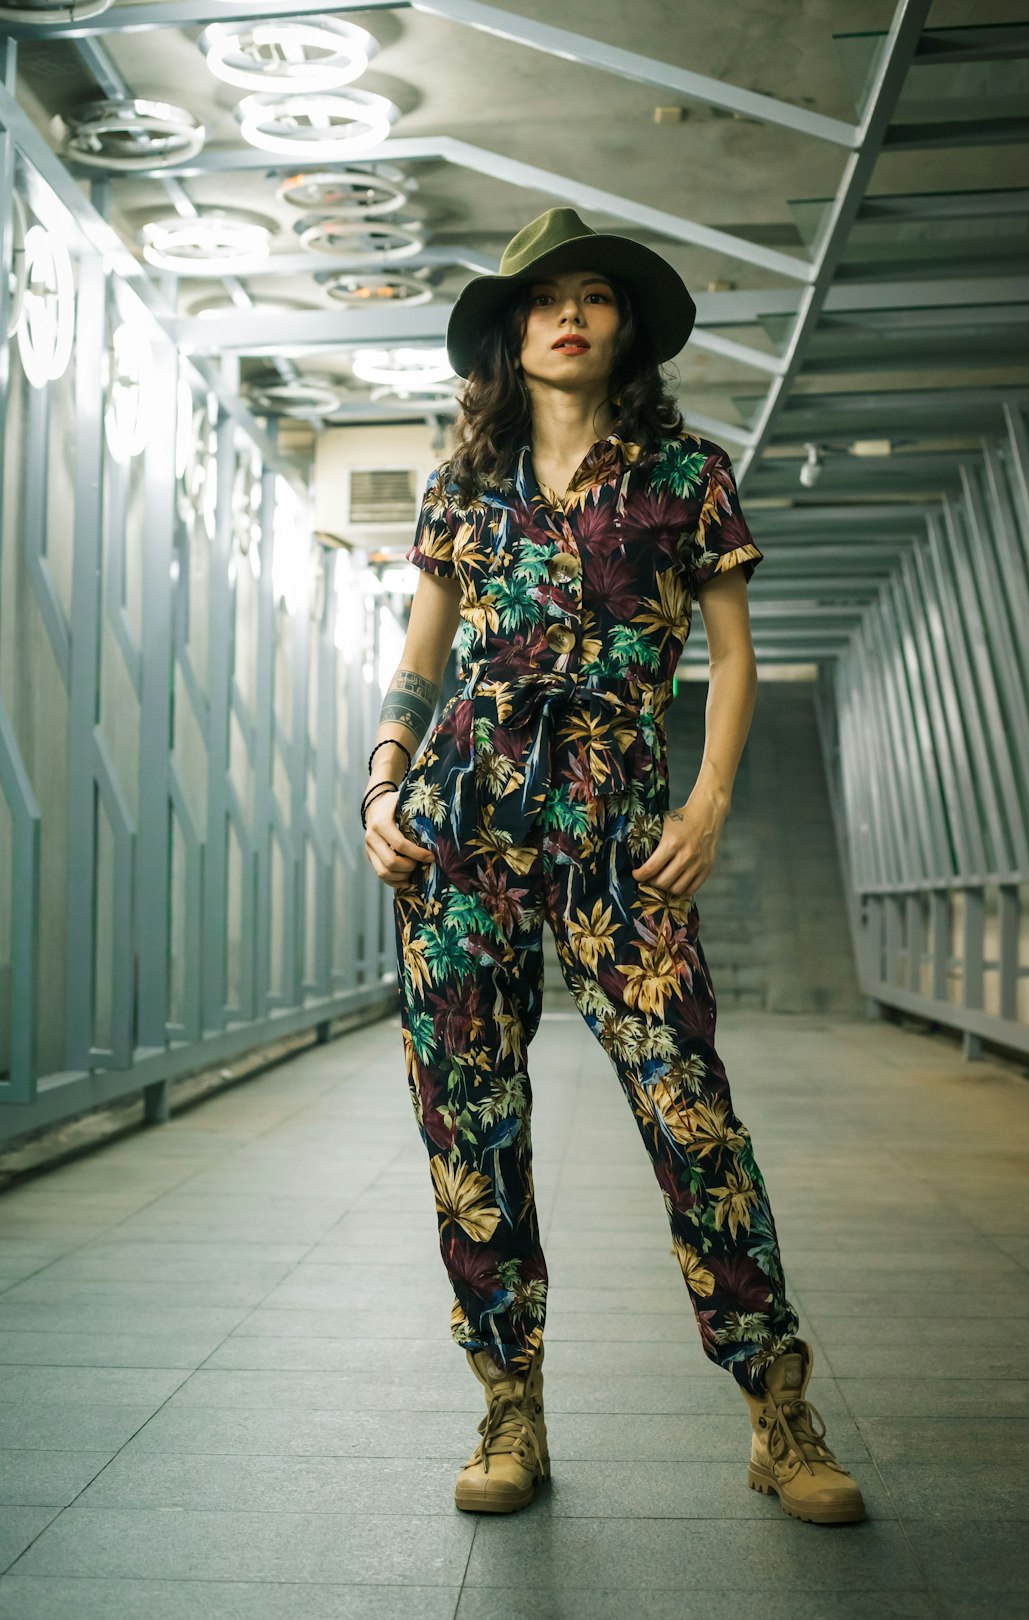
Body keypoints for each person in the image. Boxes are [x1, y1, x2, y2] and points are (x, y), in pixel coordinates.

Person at [362, 206, 865, 1526]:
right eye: (543, 301)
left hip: (621, 838)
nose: (569, 314)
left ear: (624, 328)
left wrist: (707, 800)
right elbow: (422, 654)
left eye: (592, 296)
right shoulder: (464, 484)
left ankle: (780, 1413)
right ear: (511, 338)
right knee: (471, 1129)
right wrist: (380, 781)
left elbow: (735, 652)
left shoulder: (686, 473)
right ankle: (509, 1412)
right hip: (461, 833)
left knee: (690, 1113)